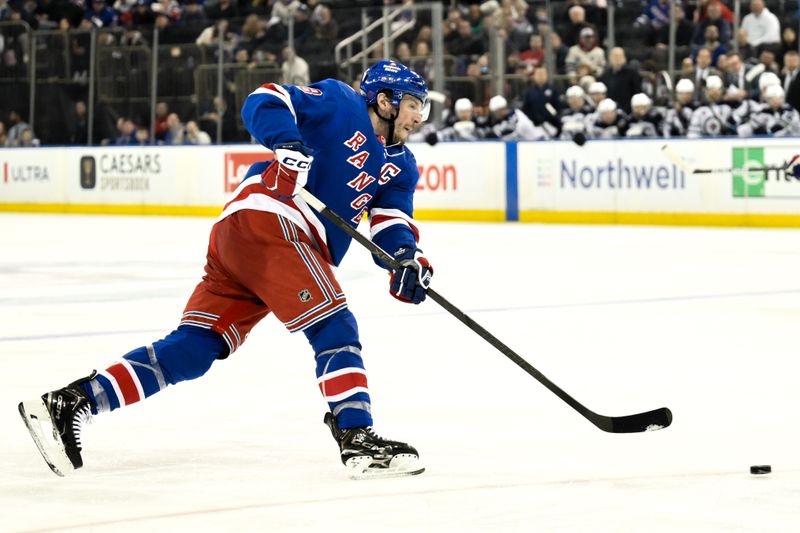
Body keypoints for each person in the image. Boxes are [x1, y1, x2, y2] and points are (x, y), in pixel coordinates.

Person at [18, 60, 433, 481]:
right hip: (273, 218)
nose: (420, 117)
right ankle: (358, 438)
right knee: (334, 325)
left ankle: (71, 402)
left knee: (195, 348)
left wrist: (406, 260)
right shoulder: (341, 102)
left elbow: (392, 223)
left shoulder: (402, 166)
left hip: (251, 239)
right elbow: (266, 98)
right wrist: (287, 141)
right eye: (414, 105)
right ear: (384, 100)